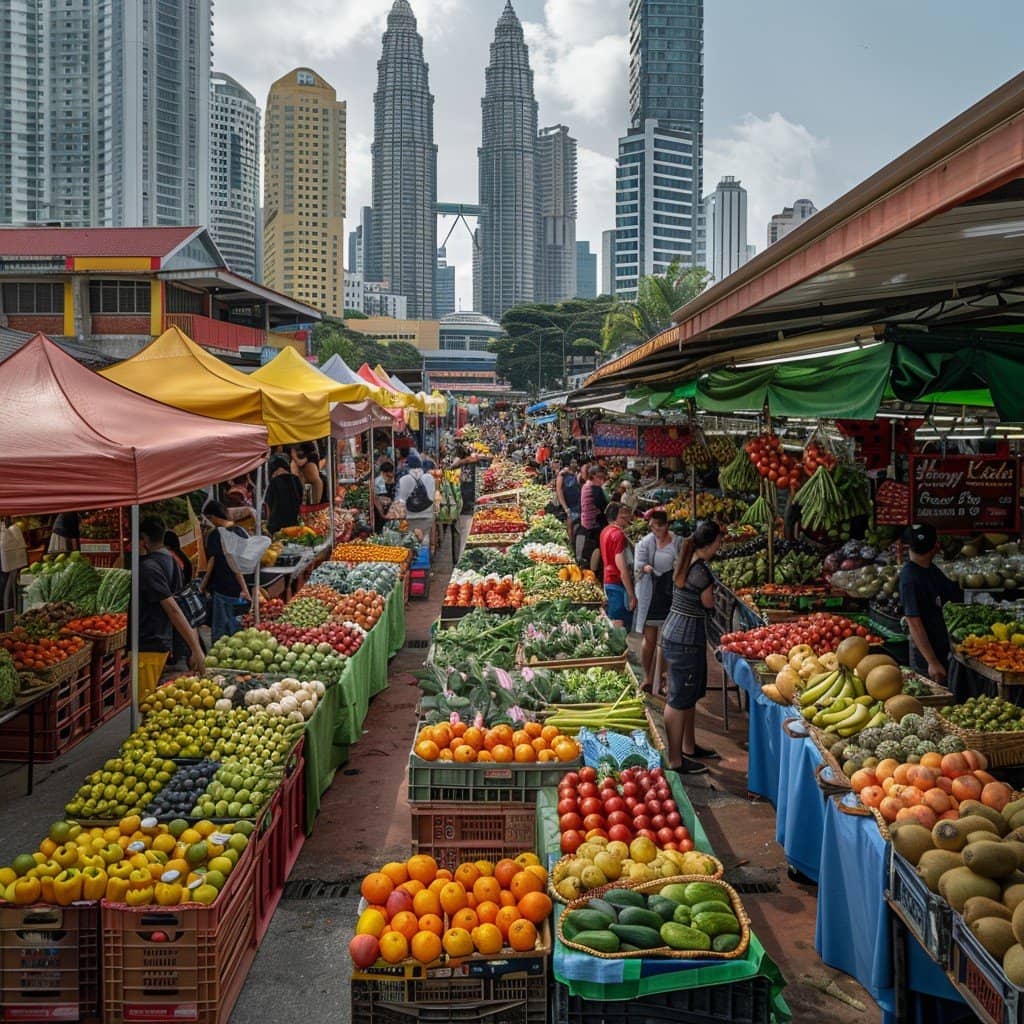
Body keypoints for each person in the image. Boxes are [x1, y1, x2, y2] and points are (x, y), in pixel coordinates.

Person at [660, 520, 724, 775]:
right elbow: (708, 604)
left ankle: (688, 746)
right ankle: (675, 759)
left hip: (678, 634)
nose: (720, 546)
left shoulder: (686, 558)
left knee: (688, 695)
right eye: (719, 541)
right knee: (678, 698)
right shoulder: (702, 573)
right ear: (711, 543)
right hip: (685, 639)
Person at [138, 517, 204, 699]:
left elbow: (173, 608)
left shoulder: (147, 568)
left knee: (146, 702)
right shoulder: (172, 560)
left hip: (149, 642)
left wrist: (196, 649)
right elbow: (185, 604)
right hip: (163, 639)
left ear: (143, 540)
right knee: (157, 702)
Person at [899, 522, 962, 684]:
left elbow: (953, 594)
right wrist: (932, 662)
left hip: (939, 644)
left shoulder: (931, 570)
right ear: (936, 547)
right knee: (931, 698)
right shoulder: (909, 577)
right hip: (925, 653)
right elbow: (914, 622)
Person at [633, 510, 682, 693]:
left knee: (668, 639)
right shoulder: (646, 542)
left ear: (666, 525)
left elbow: (682, 562)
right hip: (651, 594)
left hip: (670, 594)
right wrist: (645, 567)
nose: (655, 530)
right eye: (652, 526)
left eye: (659, 526)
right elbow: (638, 563)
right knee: (650, 639)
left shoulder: (677, 542)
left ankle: (664, 678)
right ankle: (647, 676)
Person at [200, 500, 251, 642]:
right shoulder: (241, 531)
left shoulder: (216, 535)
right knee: (237, 628)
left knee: (221, 631)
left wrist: (202, 585)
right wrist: (245, 588)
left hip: (223, 588)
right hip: (239, 588)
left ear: (212, 517)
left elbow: (212, 562)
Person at [600, 502, 635, 629]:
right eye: (623, 515)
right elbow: (622, 567)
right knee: (619, 626)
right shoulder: (618, 535)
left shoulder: (605, 531)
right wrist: (631, 594)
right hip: (617, 583)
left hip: (608, 580)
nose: (627, 518)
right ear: (616, 517)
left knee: (613, 621)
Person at [164, 530, 196, 668]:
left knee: (178, 631)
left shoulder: (171, 558)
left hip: (176, 599)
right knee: (185, 629)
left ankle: (179, 657)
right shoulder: (181, 556)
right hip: (183, 598)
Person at [394, 453, 436, 543]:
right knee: (425, 540)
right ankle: (426, 554)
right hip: (427, 515)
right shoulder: (429, 477)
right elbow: (433, 496)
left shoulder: (404, 479)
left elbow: (400, 500)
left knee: (412, 541)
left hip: (411, 517)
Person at [452, 444, 480, 562]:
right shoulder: (469, 465)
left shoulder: (456, 468)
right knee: (463, 536)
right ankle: (459, 561)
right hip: (464, 505)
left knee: (458, 535)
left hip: (458, 506)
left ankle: (457, 561)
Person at [578, 465, 609, 570]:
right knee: (597, 548)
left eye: (603, 477)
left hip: (587, 522)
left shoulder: (586, 485)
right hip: (594, 524)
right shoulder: (595, 489)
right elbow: (604, 507)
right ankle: (593, 573)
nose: (602, 480)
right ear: (593, 476)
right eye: (599, 477)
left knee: (592, 548)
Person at [266, 454, 303, 534]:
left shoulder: (273, 482)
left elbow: (268, 506)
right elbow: (302, 500)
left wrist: (268, 526)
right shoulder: (296, 479)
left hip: (277, 527)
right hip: (295, 525)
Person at [557, 460, 583, 545]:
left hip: (579, 503)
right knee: (570, 524)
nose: (574, 464)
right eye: (572, 462)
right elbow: (559, 491)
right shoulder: (562, 475)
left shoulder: (578, 473)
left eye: (575, 462)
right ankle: (571, 545)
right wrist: (565, 508)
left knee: (580, 526)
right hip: (569, 505)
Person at [373, 460, 395, 533]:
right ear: (386, 472)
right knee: (380, 526)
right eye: (391, 472)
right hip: (380, 509)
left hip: (383, 509)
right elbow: (382, 498)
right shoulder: (380, 480)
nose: (392, 474)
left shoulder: (386, 479)